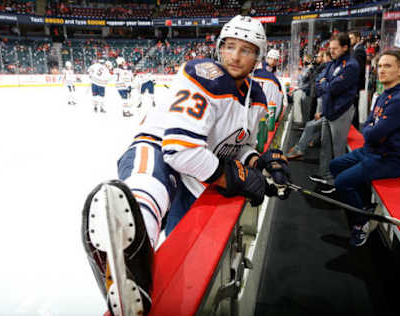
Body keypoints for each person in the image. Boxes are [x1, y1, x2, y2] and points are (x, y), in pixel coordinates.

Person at [81, 15, 291, 316]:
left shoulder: (256, 97)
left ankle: (137, 270)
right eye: (229, 46)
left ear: (258, 56)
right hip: (157, 146)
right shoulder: (203, 74)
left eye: (245, 50)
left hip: (196, 177)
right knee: (148, 186)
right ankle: (127, 263)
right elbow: (179, 150)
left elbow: (238, 146)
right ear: (219, 48)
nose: (234, 55)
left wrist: (259, 162)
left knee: (183, 253)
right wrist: (234, 176)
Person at [329, 50, 400, 246]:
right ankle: (365, 205)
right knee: (335, 165)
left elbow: (371, 132)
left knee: (342, 182)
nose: (381, 70)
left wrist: (370, 130)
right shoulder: (384, 94)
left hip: (390, 159)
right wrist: (371, 130)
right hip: (372, 151)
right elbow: (368, 126)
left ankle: (362, 223)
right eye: (379, 66)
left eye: (388, 66)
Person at [309, 33, 360, 187]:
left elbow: (333, 87)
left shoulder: (351, 65)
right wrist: (325, 84)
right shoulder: (333, 63)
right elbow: (319, 79)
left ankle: (338, 182)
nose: (331, 51)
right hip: (328, 110)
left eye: (335, 48)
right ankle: (325, 174)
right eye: (330, 48)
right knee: (325, 145)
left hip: (341, 111)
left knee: (338, 150)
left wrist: (326, 84)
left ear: (345, 47)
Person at [286, 50, 332, 160]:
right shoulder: (324, 68)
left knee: (311, 124)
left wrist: (322, 113)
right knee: (312, 124)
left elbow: (316, 82)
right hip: (323, 103)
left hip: (326, 106)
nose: (317, 58)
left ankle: (301, 148)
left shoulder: (325, 68)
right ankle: (305, 144)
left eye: (321, 56)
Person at [253, 49, 284, 123]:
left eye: (275, 60)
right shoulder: (261, 68)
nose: (273, 61)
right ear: (267, 58)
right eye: (272, 59)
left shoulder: (272, 69)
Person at [348, 31, 366, 129]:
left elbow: (358, 69)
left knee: (354, 108)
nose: (349, 40)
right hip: (354, 85)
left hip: (355, 85)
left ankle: (354, 129)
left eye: (351, 38)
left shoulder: (359, 50)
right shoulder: (355, 50)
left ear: (358, 39)